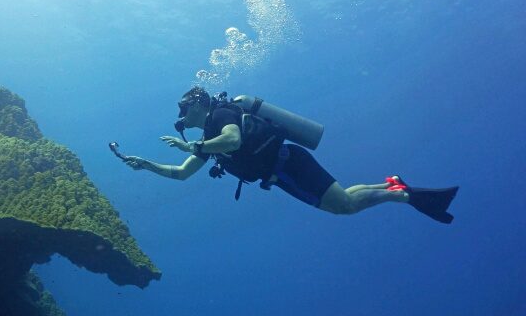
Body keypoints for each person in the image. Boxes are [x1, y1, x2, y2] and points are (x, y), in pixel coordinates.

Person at [122, 86, 459, 223]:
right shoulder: (207, 138)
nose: (181, 116)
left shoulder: (221, 116)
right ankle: (392, 186)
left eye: (184, 108)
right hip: (283, 172)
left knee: (344, 207)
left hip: (288, 164)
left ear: (198, 102)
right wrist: (147, 165)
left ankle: (401, 196)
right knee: (342, 201)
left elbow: (233, 138)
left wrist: (196, 146)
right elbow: (181, 173)